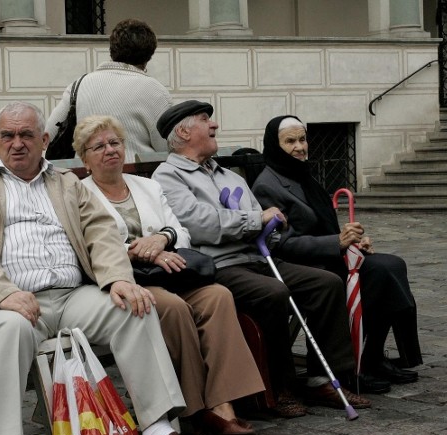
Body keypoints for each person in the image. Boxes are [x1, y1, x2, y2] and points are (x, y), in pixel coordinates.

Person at [0, 102, 217, 435]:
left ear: (44, 141)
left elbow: (101, 233)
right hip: (8, 300)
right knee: (9, 329)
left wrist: (117, 280)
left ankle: (157, 431)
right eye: (8, 136)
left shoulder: (65, 183)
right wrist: (5, 293)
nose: (17, 144)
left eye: (26, 136)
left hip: (72, 296)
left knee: (134, 307)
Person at [152, 100, 373, 417]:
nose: (214, 126)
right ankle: (279, 387)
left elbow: (265, 224)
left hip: (257, 257)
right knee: (273, 292)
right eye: (205, 120)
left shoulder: (229, 175)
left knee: (325, 282)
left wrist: (279, 228)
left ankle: (324, 378)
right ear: (185, 132)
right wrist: (255, 221)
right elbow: (198, 224)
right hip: (219, 266)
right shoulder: (169, 176)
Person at [75, 115, 264, 435]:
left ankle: (222, 406)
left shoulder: (148, 186)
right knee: (171, 308)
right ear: (84, 158)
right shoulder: (79, 195)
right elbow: (86, 248)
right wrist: (140, 251)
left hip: (170, 273)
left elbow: (183, 233)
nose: (110, 150)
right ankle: (192, 410)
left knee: (218, 296)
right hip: (121, 282)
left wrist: (163, 239)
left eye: (115, 143)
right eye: (99, 146)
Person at [252, 115, 421, 389]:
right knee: (376, 273)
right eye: (290, 141)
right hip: (301, 263)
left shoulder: (302, 173)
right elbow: (282, 243)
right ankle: (353, 365)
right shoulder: (267, 185)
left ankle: (372, 355)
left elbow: (321, 222)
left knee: (391, 266)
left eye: (303, 139)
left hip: (329, 253)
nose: (300, 147)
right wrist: (337, 243)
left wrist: (353, 242)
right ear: (275, 144)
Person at [45, 18, 171, 162]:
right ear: (149, 55)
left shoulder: (79, 85)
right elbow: (168, 147)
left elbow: (49, 134)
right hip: (137, 176)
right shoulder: (155, 90)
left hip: (86, 176)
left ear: (112, 49)